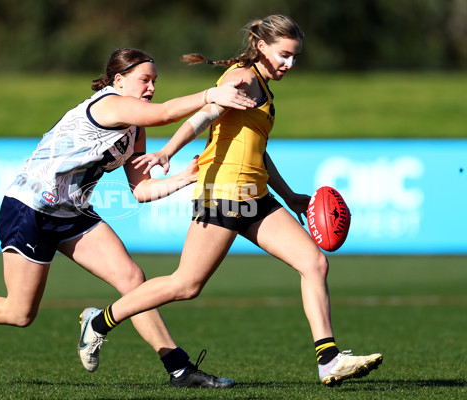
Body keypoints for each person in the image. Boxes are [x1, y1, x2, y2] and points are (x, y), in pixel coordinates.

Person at [0, 47, 257, 388]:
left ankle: (179, 369)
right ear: (119, 80)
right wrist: (212, 94)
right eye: (144, 80)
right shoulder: (109, 104)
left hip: (72, 212)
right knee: (19, 314)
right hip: (30, 209)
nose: (151, 88)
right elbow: (166, 113)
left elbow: (140, 190)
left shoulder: (135, 128)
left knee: (132, 279)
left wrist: (185, 178)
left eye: (155, 81)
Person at [79, 16, 383, 387]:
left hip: (256, 194)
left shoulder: (264, 89)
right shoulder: (242, 78)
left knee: (313, 263)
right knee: (186, 285)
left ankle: (328, 360)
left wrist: (291, 198)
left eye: (295, 57)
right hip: (223, 192)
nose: (289, 63)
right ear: (262, 48)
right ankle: (99, 321)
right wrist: (167, 151)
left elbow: (259, 151)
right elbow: (205, 115)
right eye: (284, 55)